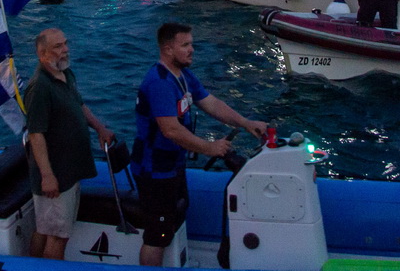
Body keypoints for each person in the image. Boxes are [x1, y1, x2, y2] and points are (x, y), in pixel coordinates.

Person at [132, 23, 267, 266]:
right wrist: (209, 147)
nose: (192, 49)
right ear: (168, 49)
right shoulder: (159, 82)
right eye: (185, 45)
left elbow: (211, 103)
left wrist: (245, 123)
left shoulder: (183, 76)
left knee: (171, 224)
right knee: (156, 236)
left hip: (173, 165)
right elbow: (170, 129)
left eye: (191, 44)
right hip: (154, 170)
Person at [24, 29, 115, 260]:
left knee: (47, 229)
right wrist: (47, 176)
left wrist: (99, 128)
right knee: (56, 236)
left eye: (65, 43)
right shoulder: (39, 87)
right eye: (58, 46)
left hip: (70, 169)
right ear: (42, 53)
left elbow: (79, 104)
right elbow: (36, 134)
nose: (65, 49)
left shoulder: (65, 73)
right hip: (57, 174)